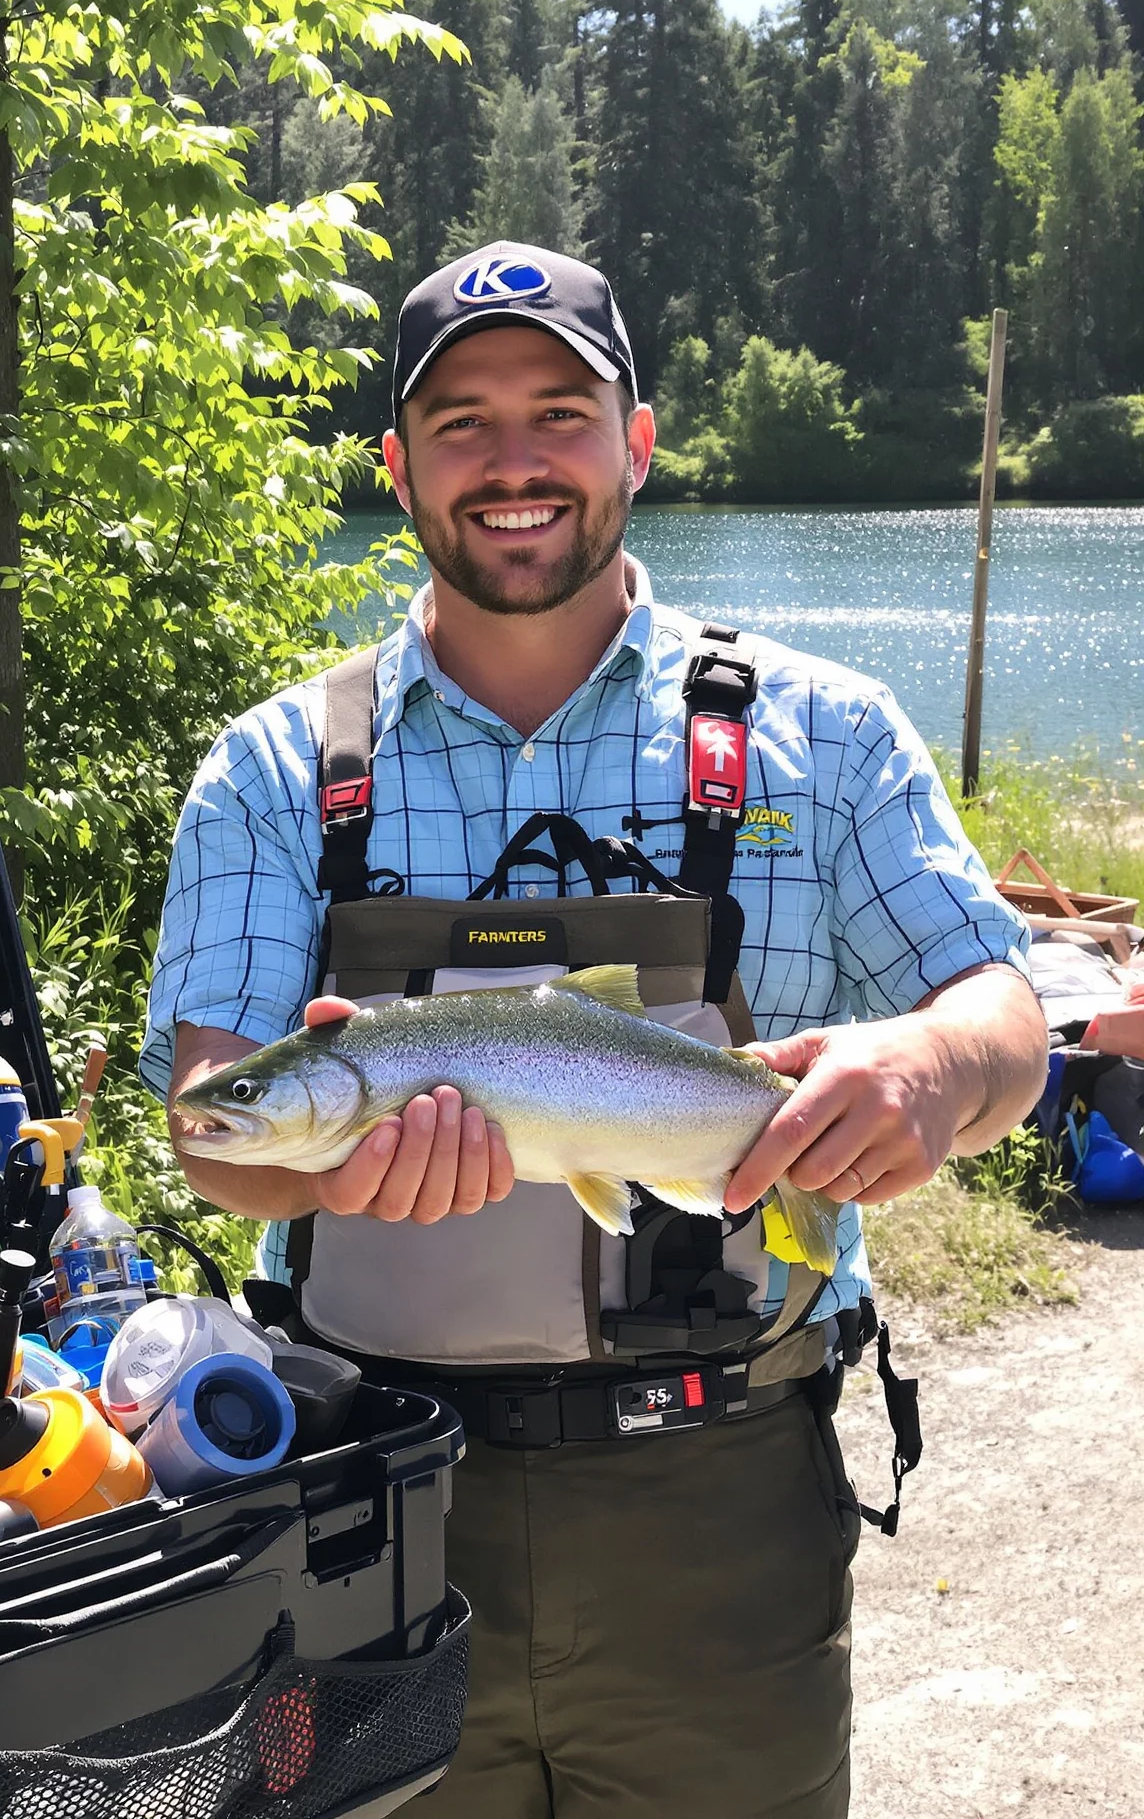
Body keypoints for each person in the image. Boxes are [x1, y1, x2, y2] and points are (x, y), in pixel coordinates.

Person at [141, 241, 1048, 1819]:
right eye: (461, 422)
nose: (512, 463)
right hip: (381, 1509)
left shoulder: (816, 735)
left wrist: (926, 1068)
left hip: (724, 1507)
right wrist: (308, 1171)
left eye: (559, 412)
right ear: (398, 466)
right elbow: (217, 1123)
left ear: (636, 442)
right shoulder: (278, 769)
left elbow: (1007, 1018)